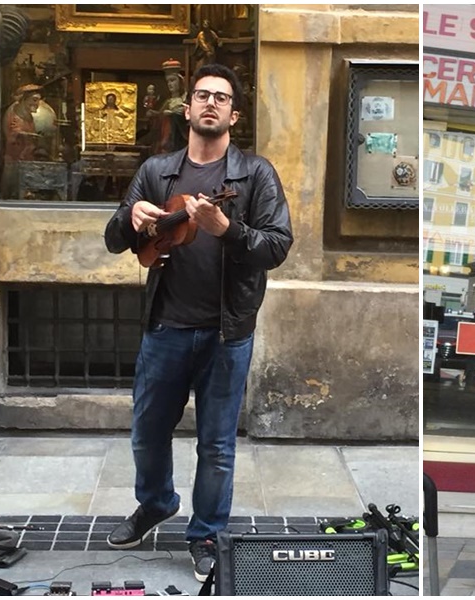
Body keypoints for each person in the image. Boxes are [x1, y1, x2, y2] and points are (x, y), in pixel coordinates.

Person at [103, 63, 293, 583]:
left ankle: (206, 533)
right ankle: (156, 502)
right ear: (187, 109)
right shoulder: (156, 171)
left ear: (234, 115)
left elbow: (277, 246)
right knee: (147, 432)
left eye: (222, 97)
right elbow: (115, 239)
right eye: (203, 95)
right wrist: (130, 218)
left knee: (216, 445)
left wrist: (228, 229)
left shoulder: (255, 174)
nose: (211, 103)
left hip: (226, 333)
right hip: (165, 326)